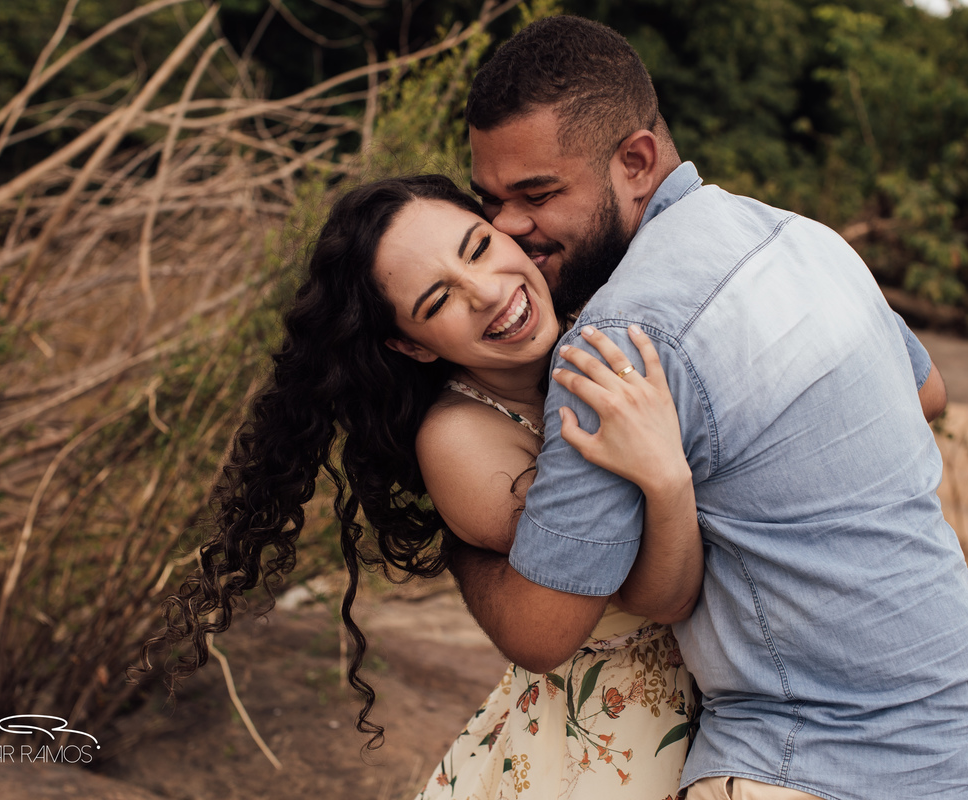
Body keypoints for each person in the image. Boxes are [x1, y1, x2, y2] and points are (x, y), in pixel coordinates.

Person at [450, 15, 968, 800]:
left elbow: (541, 630)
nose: (509, 226)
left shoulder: (618, 340)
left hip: (811, 757)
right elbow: (928, 391)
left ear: (637, 161)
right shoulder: (801, 236)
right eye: (491, 200)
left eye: (537, 194)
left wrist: (450, 537)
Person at [145, 175, 703, 798]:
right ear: (412, 344)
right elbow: (661, 596)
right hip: (612, 737)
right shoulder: (459, 441)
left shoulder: (599, 310)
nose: (489, 293)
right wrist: (667, 480)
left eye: (478, 248)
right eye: (438, 301)